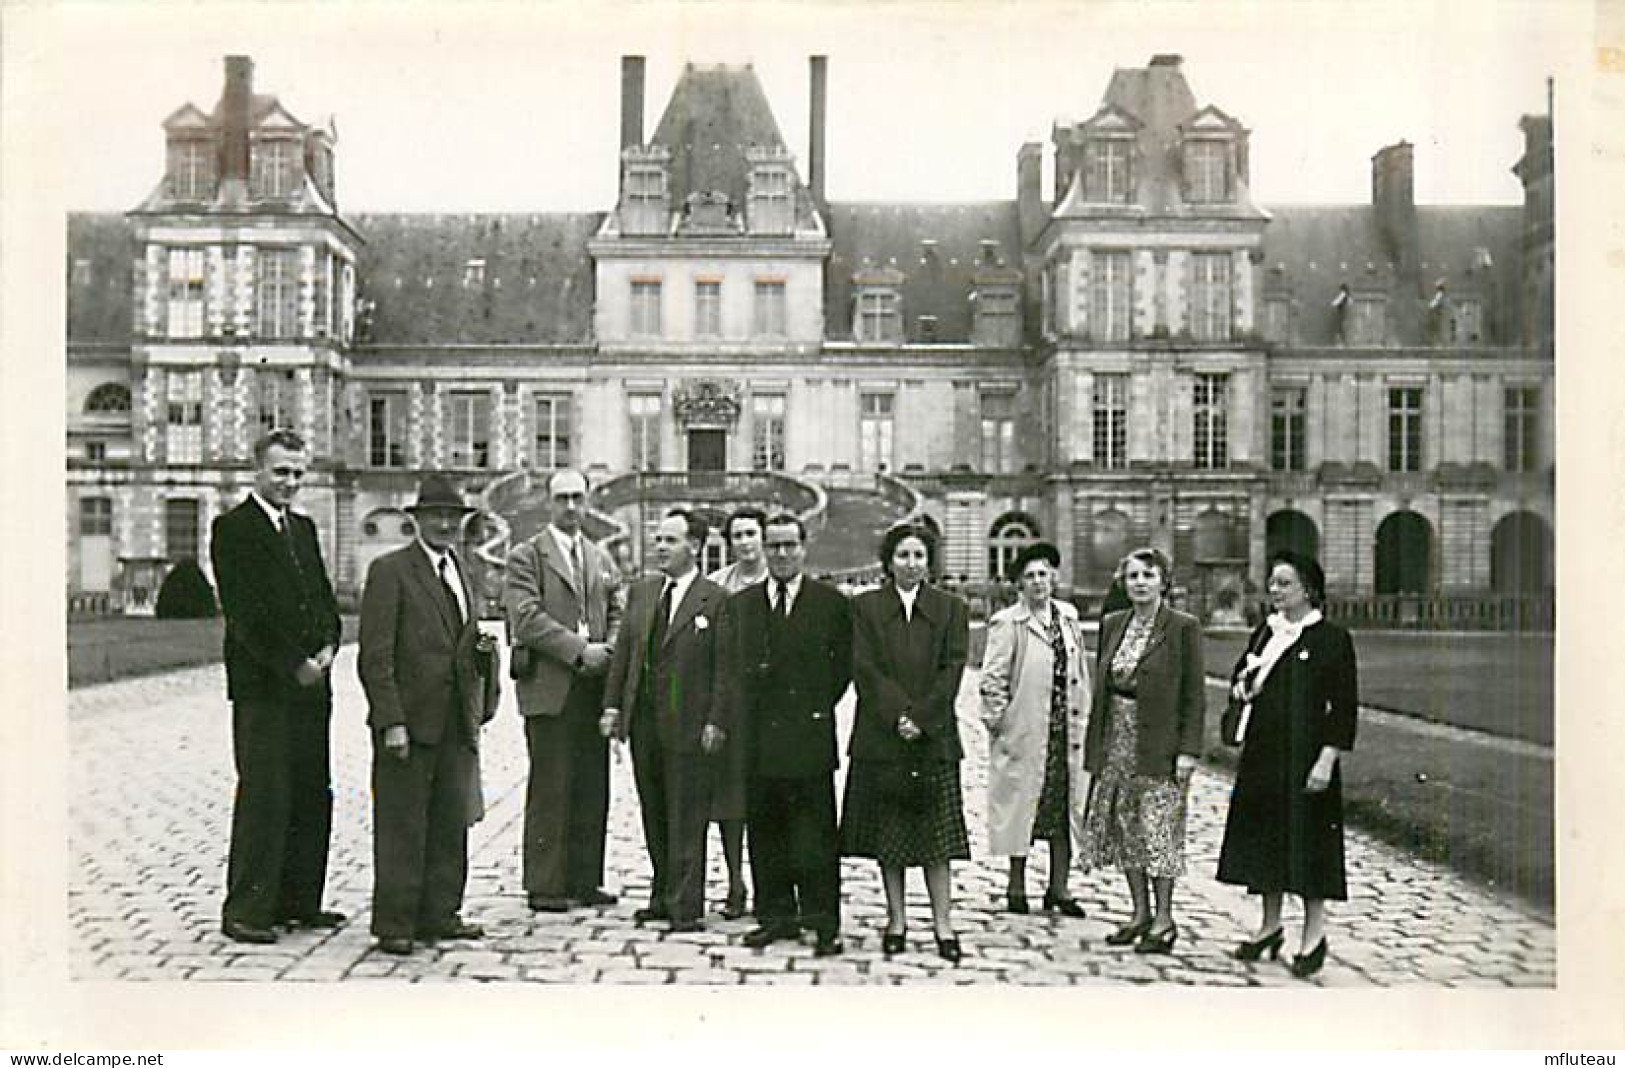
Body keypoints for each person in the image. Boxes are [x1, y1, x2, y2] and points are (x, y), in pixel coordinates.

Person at [209, 428, 344, 944]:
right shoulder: (233, 529)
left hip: (314, 687)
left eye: (297, 473)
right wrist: (294, 665)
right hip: (265, 688)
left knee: (312, 793)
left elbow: (323, 598)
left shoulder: (304, 529)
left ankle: (298, 902)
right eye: (281, 471)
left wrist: (330, 645)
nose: (290, 482)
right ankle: (247, 909)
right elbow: (246, 616)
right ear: (257, 471)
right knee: (266, 795)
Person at [357, 474, 500, 955]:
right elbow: (375, 656)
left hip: (455, 720)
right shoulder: (390, 571)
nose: (444, 525)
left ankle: (441, 914)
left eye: (452, 518)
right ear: (417, 522)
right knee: (402, 824)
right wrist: (391, 720)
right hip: (410, 724)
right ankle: (396, 923)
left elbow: (466, 639)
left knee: (447, 824)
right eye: (435, 517)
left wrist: (483, 677)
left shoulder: (462, 571)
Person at [710, 513, 852, 957]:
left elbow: (841, 670)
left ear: (804, 548)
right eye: (774, 546)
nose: (782, 554)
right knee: (766, 832)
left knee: (816, 836)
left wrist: (810, 707)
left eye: (790, 545)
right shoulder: (744, 605)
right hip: (759, 738)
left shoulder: (830, 603)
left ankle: (822, 920)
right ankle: (774, 916)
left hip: (808, 734)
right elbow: (732, 670)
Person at [1216, 550, 1358, 979]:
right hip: (1264, 753)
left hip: (1307, 757)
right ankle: (1269, 927)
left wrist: (1327, 758)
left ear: (1308, 589)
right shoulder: (1267, 632)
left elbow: (1345, 708)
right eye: (1273, 583)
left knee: (1310, 845)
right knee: (1264, 841)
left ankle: (1314, 936)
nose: (1274, 591)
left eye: (1284, 584)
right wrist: (1243, 685)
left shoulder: (1331, 638)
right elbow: (1244, 679)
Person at [840, 523, 971, 963]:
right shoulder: (866, 608)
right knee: (889, 838)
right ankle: (896, 919)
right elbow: (865, 667)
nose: (910, 563)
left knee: (937, 841)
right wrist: (899, 715)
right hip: (883, 735)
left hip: (934, 738)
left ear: (929, 561)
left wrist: (921, 717)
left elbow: (953, 669)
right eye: (902, 556)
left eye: (918, 555)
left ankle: (943, 923)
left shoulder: (951, 608)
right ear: (888, 562)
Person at [602, 510, 726, 932]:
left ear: (693, 546)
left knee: (687, 813)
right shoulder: (643, 593)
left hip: (691, 723)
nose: (659, 547)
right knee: (654, 809)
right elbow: (624, 654)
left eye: (669, 541)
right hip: (645, 721)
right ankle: (661, 894)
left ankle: (686, 904)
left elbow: (725, 669)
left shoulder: (715, 598)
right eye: (657, 539)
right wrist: (613, 706)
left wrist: (716, 720)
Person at [504, 469, 622, 912]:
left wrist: (608, 648)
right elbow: (527, 618)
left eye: (577, 498)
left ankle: (584, 878)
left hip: (593, 686)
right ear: (548, 503)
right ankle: (545, 883)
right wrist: (579, 650)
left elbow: (617, 607)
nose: (571, 507)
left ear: (587, 501)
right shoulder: (527, 556)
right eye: (562, 499)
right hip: (551, 685)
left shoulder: (599, 557)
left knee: (593, 784)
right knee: (551, 784)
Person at [1082, 546, 1205, 955]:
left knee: (1158, 828)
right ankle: (1139, 913)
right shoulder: (1114, 623)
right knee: (1125, 825)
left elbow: (1194, 695)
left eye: (1148, 576)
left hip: (1159, 740)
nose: (1140, 583)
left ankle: (1165, 918)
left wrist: (1188, 750)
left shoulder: (1182, 627)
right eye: (1133, 576)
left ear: (1163, 582)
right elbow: (1104, 684)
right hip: (1117, 735)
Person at [978, 541, 1091, 919]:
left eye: (1043, 574)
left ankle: (1059, 886)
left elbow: (1081, 674)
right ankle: (1016, 884)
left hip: (1065, 730)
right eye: (1030, 576)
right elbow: (992, 679)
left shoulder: (1068, 618)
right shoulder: (1009, 623)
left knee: (1063, 808)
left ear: (1054, 578)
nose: (1038, 582)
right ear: (1019, 585)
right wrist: (999, 725)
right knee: (1021, 808)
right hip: (1025, 730)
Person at [704, 506, 770, 919]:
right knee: (729, 803)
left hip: (772, 707)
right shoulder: (717, 586)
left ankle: (773, 884)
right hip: (733, 705)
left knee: (770, 798)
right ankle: (734, 881)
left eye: (751, 534)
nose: (745, 542)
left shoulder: (777, 580)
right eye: (738, 536)